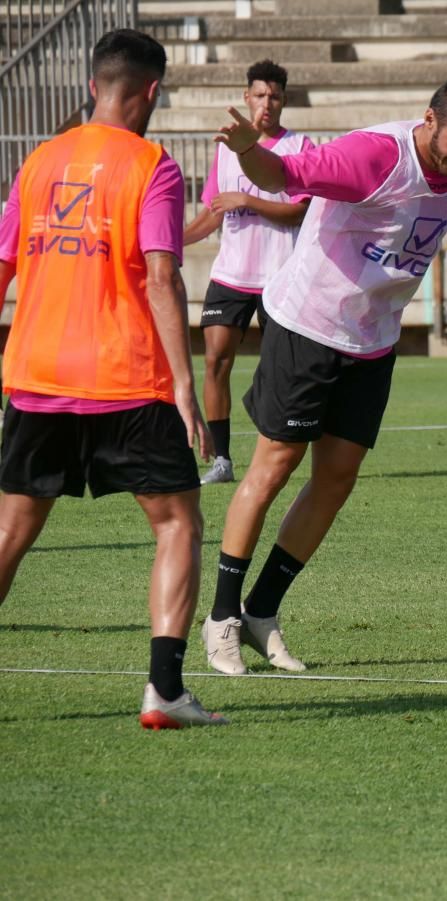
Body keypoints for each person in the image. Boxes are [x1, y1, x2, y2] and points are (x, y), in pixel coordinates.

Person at [201, 76, 447, 675]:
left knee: (338, 476)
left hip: (372, 340)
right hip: (308, 326)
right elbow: (284, 177)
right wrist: (248, 150)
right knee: (274, 466)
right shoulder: (372, 155)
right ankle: (221, 617)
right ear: (428, 119)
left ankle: (261, 612)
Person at [0, 30, 223, 728]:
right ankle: (163, 689)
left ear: (94, 86)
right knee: (178, 523)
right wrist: (185, 384)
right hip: (129, 379)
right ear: (152, 91)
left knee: (9, 532)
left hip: (36, 374)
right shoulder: (152, 165)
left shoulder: (38, 161)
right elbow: (162, 275)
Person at [183, 59, 313, 486]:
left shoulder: (299, 148)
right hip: (230, 275)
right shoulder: (225, 148)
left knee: (276, 373)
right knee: (216, 359)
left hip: (279, 278)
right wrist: (171, 242)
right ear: (247, 98)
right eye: (260, 95)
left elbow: (299, 211)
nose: (267, 103)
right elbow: (213, 213)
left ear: (284, 101)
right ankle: (221, 461)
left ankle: (270, 454)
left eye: (275, 96)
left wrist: (249, 200)